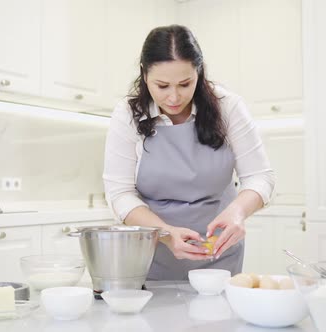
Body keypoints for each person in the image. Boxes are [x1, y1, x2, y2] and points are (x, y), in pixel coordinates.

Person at [103, 25, 275, 280]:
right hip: (154, 254)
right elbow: (120, 194)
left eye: (185, 84)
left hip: (219, 254)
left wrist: (238, 212)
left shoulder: (228, 107)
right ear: (144, 74)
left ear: (199, 71)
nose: (174, 97)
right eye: (162, 86)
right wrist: (163, 232)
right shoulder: (128, 115)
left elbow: (261, 177)